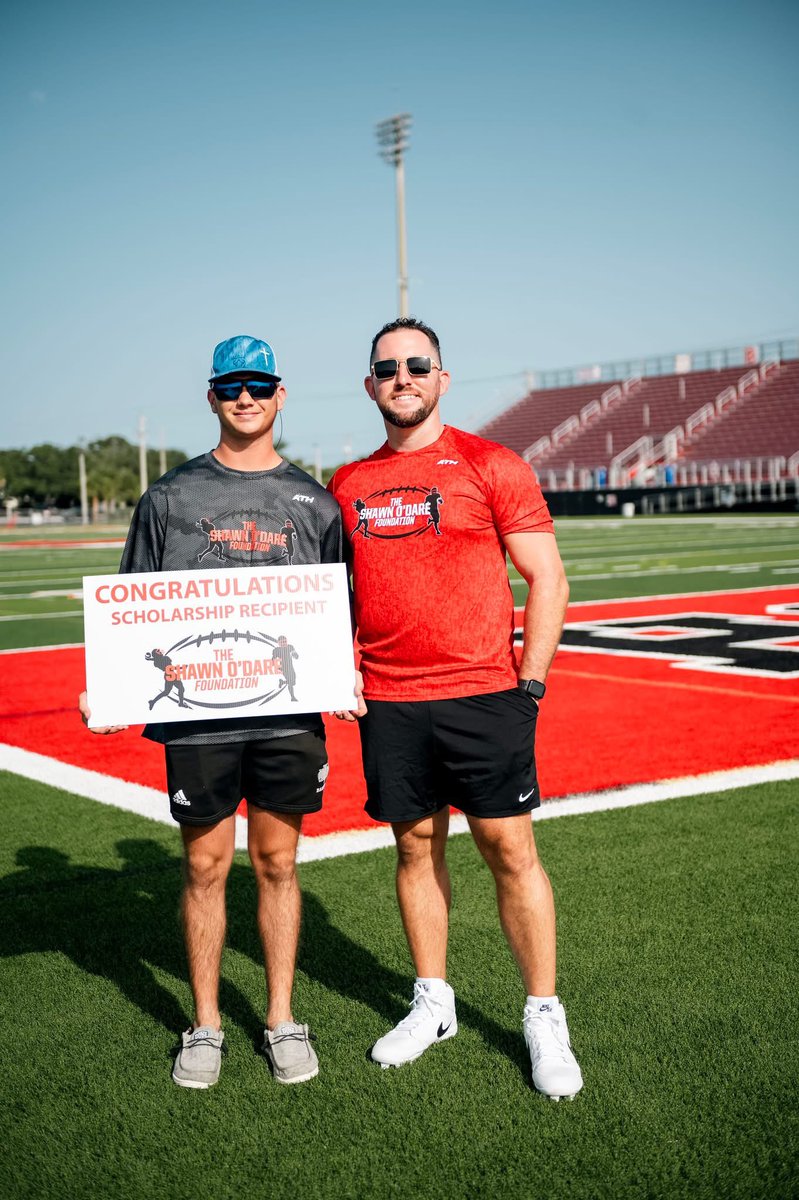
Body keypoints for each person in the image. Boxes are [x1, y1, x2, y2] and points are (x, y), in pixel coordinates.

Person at [80, 334, 349, 1090]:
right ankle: (204, 1024)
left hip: (287, 713)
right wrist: (107, 684)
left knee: (278, 863)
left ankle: (281, 1018)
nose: (245, 399)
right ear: (211, 396)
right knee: (204, 866)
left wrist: (346, 675)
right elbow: (132, 608)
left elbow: (338, 612)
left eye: (258, 387)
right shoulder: (168, 497)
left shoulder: (314, 501)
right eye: (231, 387)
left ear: (279, 395)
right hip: (201, 716)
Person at [329, 317, 583, 1101]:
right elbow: (328, 596)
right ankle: (432, 1001)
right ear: (370, 384)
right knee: (413, 850)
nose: (401, 376)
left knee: (510, 853)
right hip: (392, 702)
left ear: (441, 378)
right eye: (386, 368)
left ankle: (542, 1013)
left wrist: (528, 685)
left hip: (483, 695)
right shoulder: (347, 482)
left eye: (417, 364)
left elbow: (548, 578)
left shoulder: (489, 462)